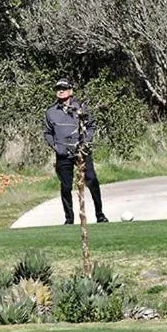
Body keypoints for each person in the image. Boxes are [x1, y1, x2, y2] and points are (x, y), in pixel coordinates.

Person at [44, 78, 107, 224]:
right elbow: (47, 132)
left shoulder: (82, 108)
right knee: (66, 186)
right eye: (58, 88)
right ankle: (69, 219)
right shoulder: (51, 112)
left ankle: (100, 214)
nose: (60, 91)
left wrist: (86, 141)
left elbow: (91, 126)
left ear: (71, 91)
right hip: (63, 154)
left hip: (81, 151)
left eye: (64, 88)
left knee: (91, 180)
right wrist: (56, 146)